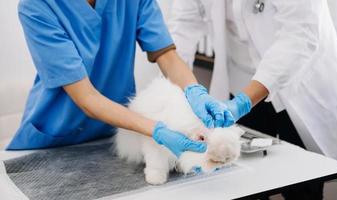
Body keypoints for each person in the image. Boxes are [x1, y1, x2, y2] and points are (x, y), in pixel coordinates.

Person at [169, 0, 337, 199]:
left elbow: (300, 34)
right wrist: (177, 94)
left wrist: (244, 101)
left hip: (298, 87)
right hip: (239, 80)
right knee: (244, 181)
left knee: (302, 184)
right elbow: (183, 26)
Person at [7, 0, 236, 159]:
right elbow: (86, 97)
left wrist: (194, 91)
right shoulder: (37, 6)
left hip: (112, 133)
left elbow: (166, 56)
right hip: (54, 141)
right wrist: (157, 129)